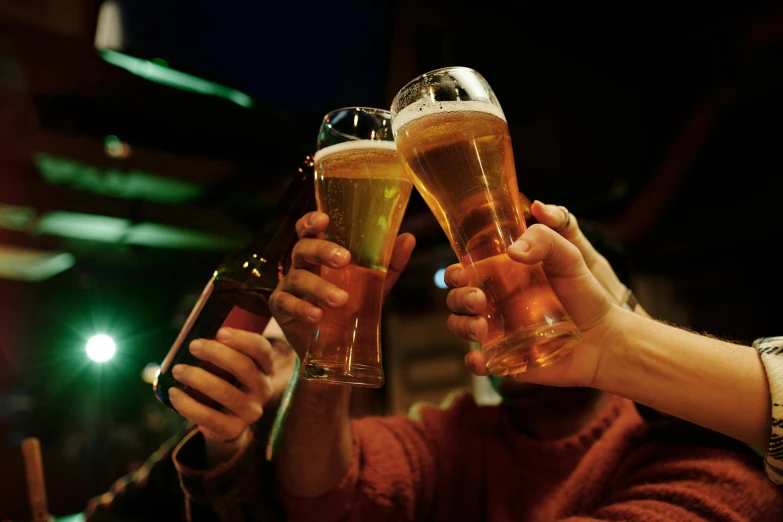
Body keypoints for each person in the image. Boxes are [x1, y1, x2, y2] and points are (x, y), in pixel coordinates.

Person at [267, 210, 783, 522]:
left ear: (602, 301)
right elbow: (322, 496)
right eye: (486, 289)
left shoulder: (696, 452)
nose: (499, 309)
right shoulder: (460, 435)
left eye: (532, 286)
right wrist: (326, 359)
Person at [447, 199, 783, 486]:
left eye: (528, 290)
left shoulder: (693, 461)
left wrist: (614, 336)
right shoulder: (464, 433)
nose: (507, 314)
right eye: (495, 294)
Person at [84, 320, 297, 522]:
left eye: (274, 349)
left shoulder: (309, 437)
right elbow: (115, 508)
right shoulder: (202, 427)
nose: (249, 366)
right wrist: (221, 444)